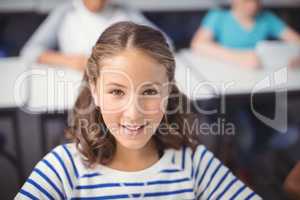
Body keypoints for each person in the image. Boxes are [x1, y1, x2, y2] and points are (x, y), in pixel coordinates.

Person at [15, 22, 261, 199]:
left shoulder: (195, 165)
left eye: (150, 92)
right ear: (95, 90)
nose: (133, 113)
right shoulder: (61, 169)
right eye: (117, 92)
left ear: (168, 91)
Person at [20, 0, 161, 71]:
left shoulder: (125, 12)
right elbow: (30, 51)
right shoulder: (66, 12)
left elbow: (162, 43)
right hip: (74, 87)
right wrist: (71, 61)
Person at [191, 0, 300, 68]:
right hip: (228, 71)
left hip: (261, 74)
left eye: (256, 1)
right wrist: (239, 57)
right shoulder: (218, 16)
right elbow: (198, 44)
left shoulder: (267, 18)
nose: (253, 6)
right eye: (247, 1)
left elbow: (296, 40)